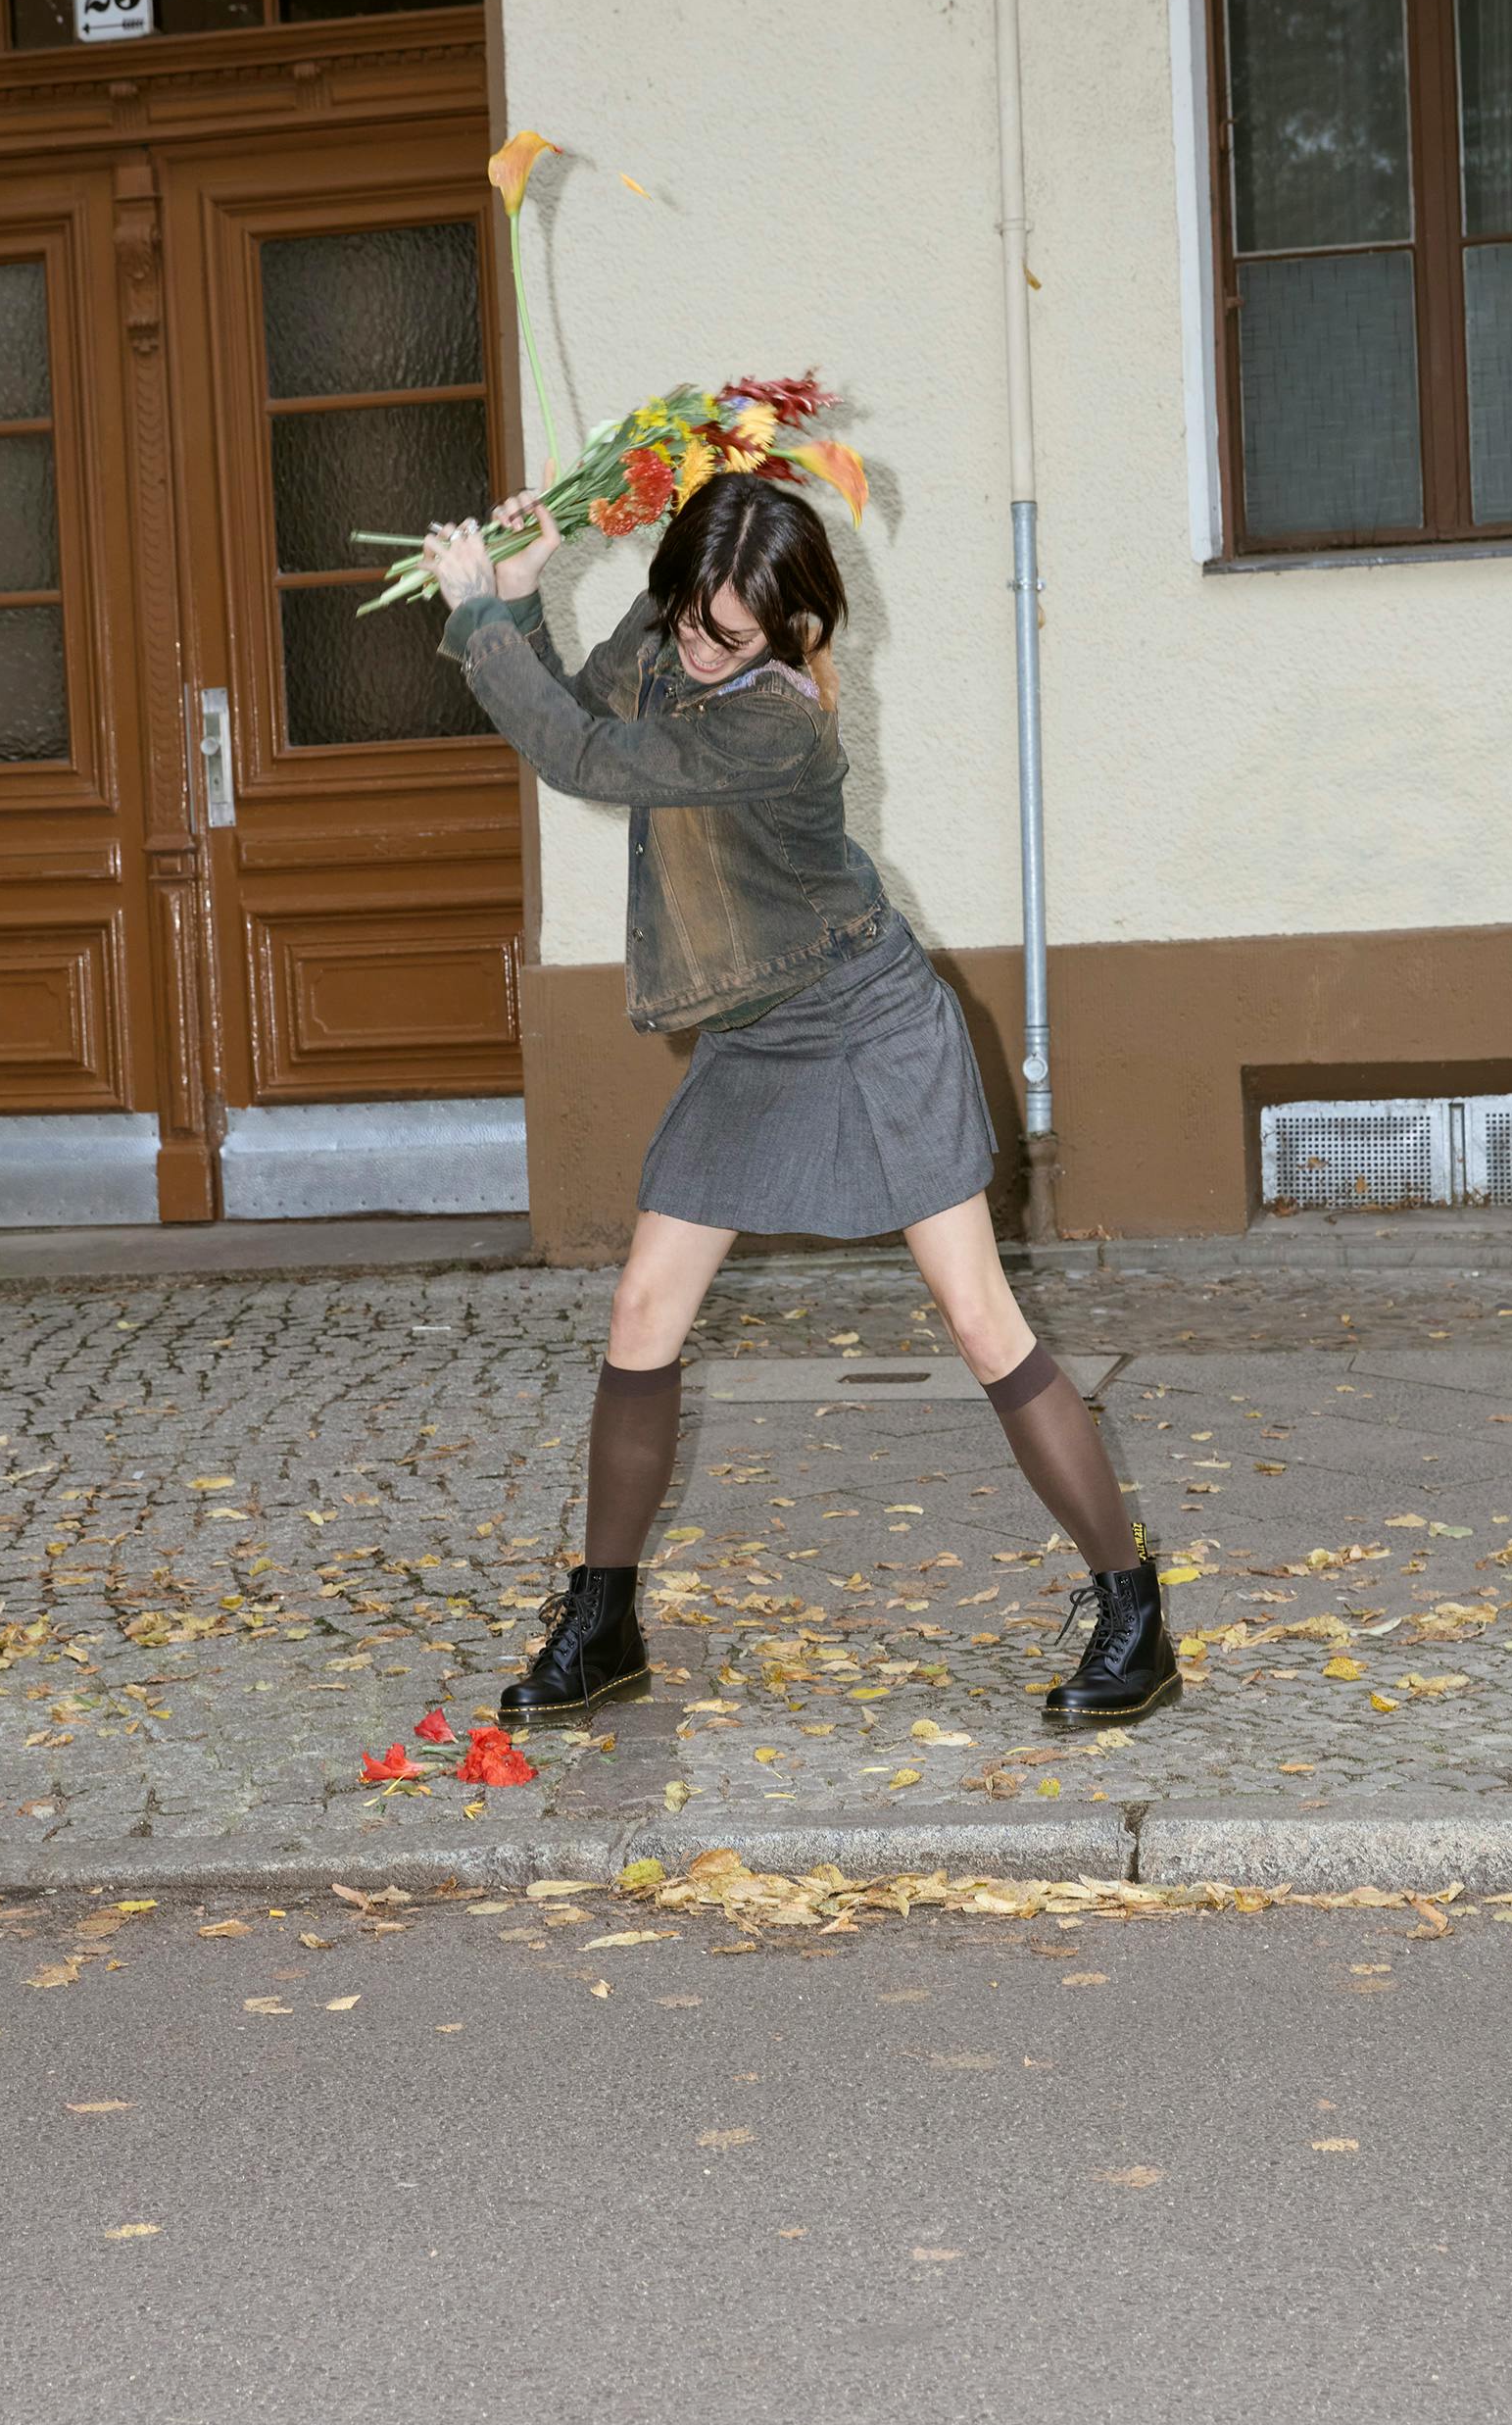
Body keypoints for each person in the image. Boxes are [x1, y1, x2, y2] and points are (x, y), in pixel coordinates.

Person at [419, 474, 1179, 1729]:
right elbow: (585, 720)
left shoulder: (773, 719)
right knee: (642, 1307)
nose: (702, 649)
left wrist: (474, 622)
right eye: (692, 620)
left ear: (791, 630)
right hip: (753, 1029)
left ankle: (1132, 1612)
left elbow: (589, 760)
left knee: (982, 1321)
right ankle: (602, 1620)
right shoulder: (673, 633)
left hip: (866, 1022)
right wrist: (515, 599)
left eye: (733, 634)